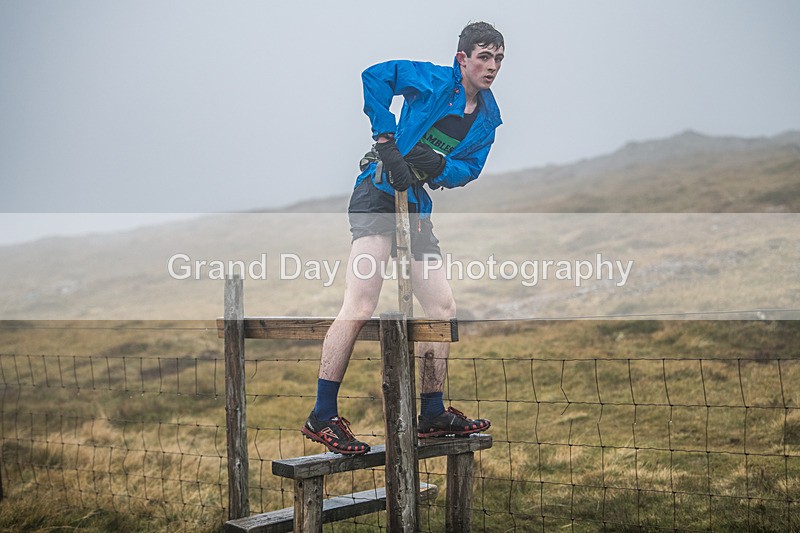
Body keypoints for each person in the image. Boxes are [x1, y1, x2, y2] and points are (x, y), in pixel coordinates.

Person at [301, 21, 505, 455]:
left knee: (442, 306)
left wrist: (439, 169)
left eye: (499, 59)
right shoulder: (432, 79)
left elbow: (470, 167)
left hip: (414, 206)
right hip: (378, 191)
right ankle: (322, 415)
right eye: (484, 57)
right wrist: (386, 139)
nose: (492, 67)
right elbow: (374, 75)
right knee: (361, 303)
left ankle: (431, 412)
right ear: (462, 59)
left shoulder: (488, 117)